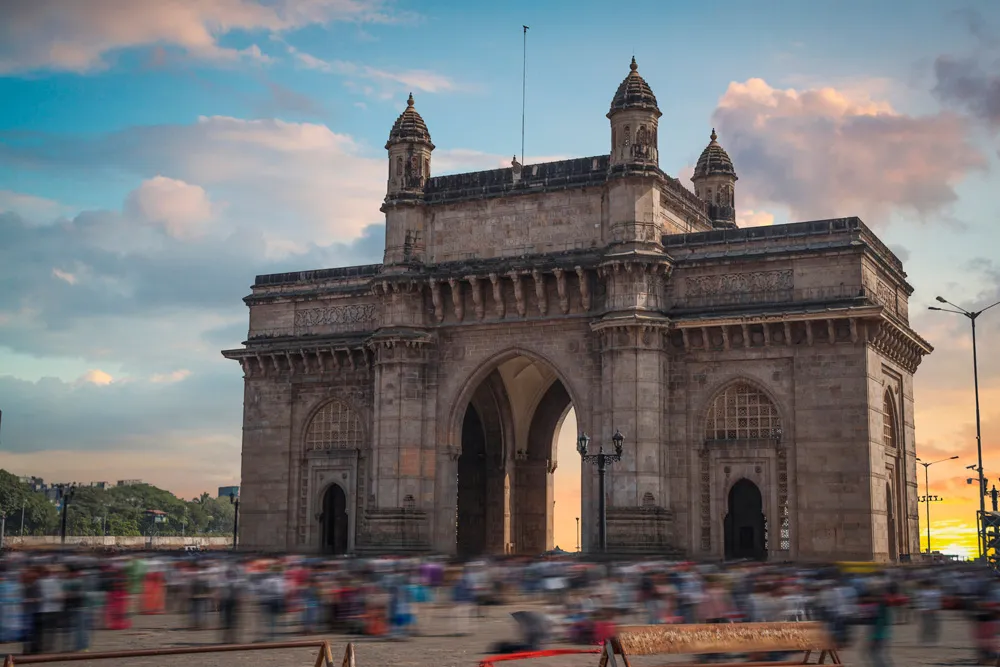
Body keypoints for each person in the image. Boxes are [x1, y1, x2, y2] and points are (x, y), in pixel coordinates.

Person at [914, 580, 941, 645]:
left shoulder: (921, 593)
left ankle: (926, 640)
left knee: (929, 627)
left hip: (927, 611)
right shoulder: (935, 592)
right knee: (930, 627)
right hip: (929, 611)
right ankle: (930, 641)